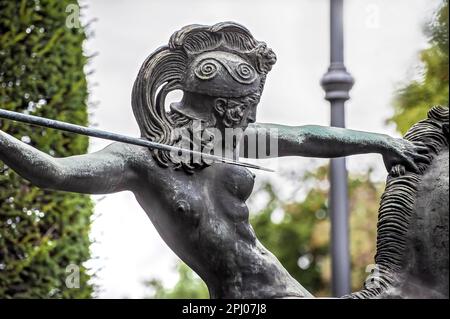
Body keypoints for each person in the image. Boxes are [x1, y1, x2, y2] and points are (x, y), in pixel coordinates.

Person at [0, 22, 430, 298]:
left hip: (279, 289)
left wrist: (379, 141)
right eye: (250, 104)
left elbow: (303, 138)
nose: (253, 115)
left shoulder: (235, 142)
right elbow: (53, 172)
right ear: (228, 105)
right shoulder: (139, 159)